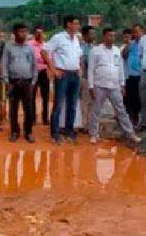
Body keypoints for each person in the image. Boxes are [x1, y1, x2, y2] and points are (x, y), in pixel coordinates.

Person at [87, 28, 142, 144]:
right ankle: (93, 134)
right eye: (109, 36)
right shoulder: (95, 51)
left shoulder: (117, 50)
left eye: (113, 36)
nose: (111, 38)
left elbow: (121, 68)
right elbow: (90, 69)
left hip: (115, 86)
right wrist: (91, 86)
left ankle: (131, 134)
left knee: (121, 110)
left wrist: (122, 84)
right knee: (96, 111)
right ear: (104, 37)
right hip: (99, 85)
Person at [42, 15, 83, 145]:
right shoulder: (58, 38)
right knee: (58, 105)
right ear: (69, 24)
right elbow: (44, 52)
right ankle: (55, 134)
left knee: (72, 105)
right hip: (62, 75)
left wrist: (80, 68)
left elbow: (79, 55)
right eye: (75, 23)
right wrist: (53, 69)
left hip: (75, 75)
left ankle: (69, 131)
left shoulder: (76, 39)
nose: (77, 26)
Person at [1, 23, 37, 143]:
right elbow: (4, 64)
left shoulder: (29, 48)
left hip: (27, 82)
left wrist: (33, 81)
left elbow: (34, 65)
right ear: (15, 33)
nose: (24, 34)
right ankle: (14, 131)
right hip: (13, 82)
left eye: (25, 31)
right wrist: (6, 80)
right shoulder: (8, 47)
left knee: (28, 109)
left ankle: (28, 132)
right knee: (13, 109)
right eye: (21, 32)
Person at [29, 26, 50, 125]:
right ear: (34, 34)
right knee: (31, 95)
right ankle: (32, 118)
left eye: (41, 33)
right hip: (32, 72)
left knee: (45, 96)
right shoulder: (29, 45)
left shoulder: (46, 45)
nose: (39, 34)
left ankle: (45, 118)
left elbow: (49, 59)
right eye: (37, 32)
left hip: (44, 72)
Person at [122, 24, 142, 125]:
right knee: (128, 98)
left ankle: (136, 117)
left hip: (139, 75)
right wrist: (128, 45)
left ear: (141, 32)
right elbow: (124, 55)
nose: (135, 34)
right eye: (134, 32)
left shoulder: (144, 44)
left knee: (137, 97)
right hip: (128, 75)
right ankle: (129, 118)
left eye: (137, 31)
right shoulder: (131, 44)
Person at [79, 25, 96, 131]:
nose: (93, 36)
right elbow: (85, 63)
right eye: (91, 34)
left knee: (91, 102)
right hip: (84, 77)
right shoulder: (82, 48)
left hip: (93, 78)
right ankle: (83, 124)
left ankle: (89, 123)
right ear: (85, 35)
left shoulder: (93, 47)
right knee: (85, 101)